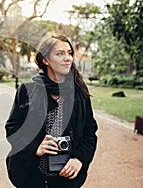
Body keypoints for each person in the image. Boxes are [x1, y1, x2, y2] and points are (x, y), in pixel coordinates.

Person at [5, 35, 98, 188]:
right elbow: (12, 129)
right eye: (60, 53)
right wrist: (35, 147)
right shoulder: (27, 90)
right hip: (30, 176)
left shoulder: (79, 92)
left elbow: (89, 132)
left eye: (69, 53)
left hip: (66, 179)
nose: (67, 58)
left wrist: (80, 159)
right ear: (45, 60)